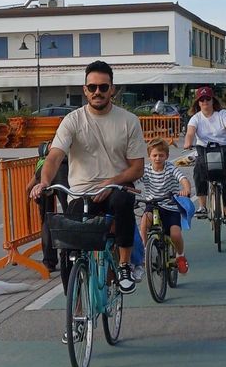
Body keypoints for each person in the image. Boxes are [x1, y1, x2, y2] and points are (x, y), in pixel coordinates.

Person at [30, 60, 146, 295]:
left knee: (123, 203)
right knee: (67, 249)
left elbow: (137, 168)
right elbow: (54, 158)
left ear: (112, 89)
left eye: (103, 87)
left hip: (115, 189)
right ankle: (75, 314)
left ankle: (124, 265)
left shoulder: (128, 121)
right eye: (92, 87)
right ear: (84, 90)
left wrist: (112, 181)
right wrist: (44, 181)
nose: (97, 92)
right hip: (81, 195)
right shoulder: (72, 121)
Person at [183, 86, 226, 227]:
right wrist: (188, 143)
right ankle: (202, 207)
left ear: (213, 100)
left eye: (208, 99)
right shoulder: (195, 118)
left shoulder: (222, 114)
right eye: (202, 99)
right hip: (204, 151)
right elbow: (190, 133)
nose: (205, 102)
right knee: (198, 173)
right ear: (198, 103)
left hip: (224, 150)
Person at [139, 138, 192, 274]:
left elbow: (183, 179)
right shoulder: (145, 170)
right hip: (152, 204)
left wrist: (186, 189)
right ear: (149, 156)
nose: (157, 158)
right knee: (145, 222)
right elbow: (134, 180)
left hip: (170, 206)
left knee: (175, 233)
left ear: (166, 156)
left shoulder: (170, 168)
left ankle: (180, 255)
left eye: (161, 155)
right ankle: (144, 250)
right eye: (154, 155)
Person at [26, 140, 69, 273]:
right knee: (71, 215)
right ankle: (69, 255)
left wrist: (29, 189)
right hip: (64, 173)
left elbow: (36, 174)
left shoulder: (46, 148)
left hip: (43, 176)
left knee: (47, 218)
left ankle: (49, 262)